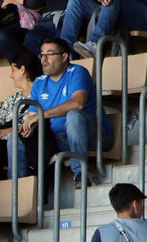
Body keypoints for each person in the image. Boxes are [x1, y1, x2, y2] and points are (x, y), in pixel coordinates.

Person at [24, 38, 104, 183]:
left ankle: (81, 174)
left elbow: (78, 103)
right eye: (42, 55)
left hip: (90, 136)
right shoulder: (39, 82)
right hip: (56, 139)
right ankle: (20, 185)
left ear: (64, 56)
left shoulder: (77, 72)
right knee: (15, 141)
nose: (44, 59)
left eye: (49, 54)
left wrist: (40, 116)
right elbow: (31, 118)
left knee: (73, 116)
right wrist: (28, 126)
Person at [0, 53, 42, 183]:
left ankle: (2, 192)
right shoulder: (13, 98)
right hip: (4, 139)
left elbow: (33, 126)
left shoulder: (41, 95)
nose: (11, 75)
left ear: (22, 70)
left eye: (13, 70)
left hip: (27, 142)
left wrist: (4, 132)